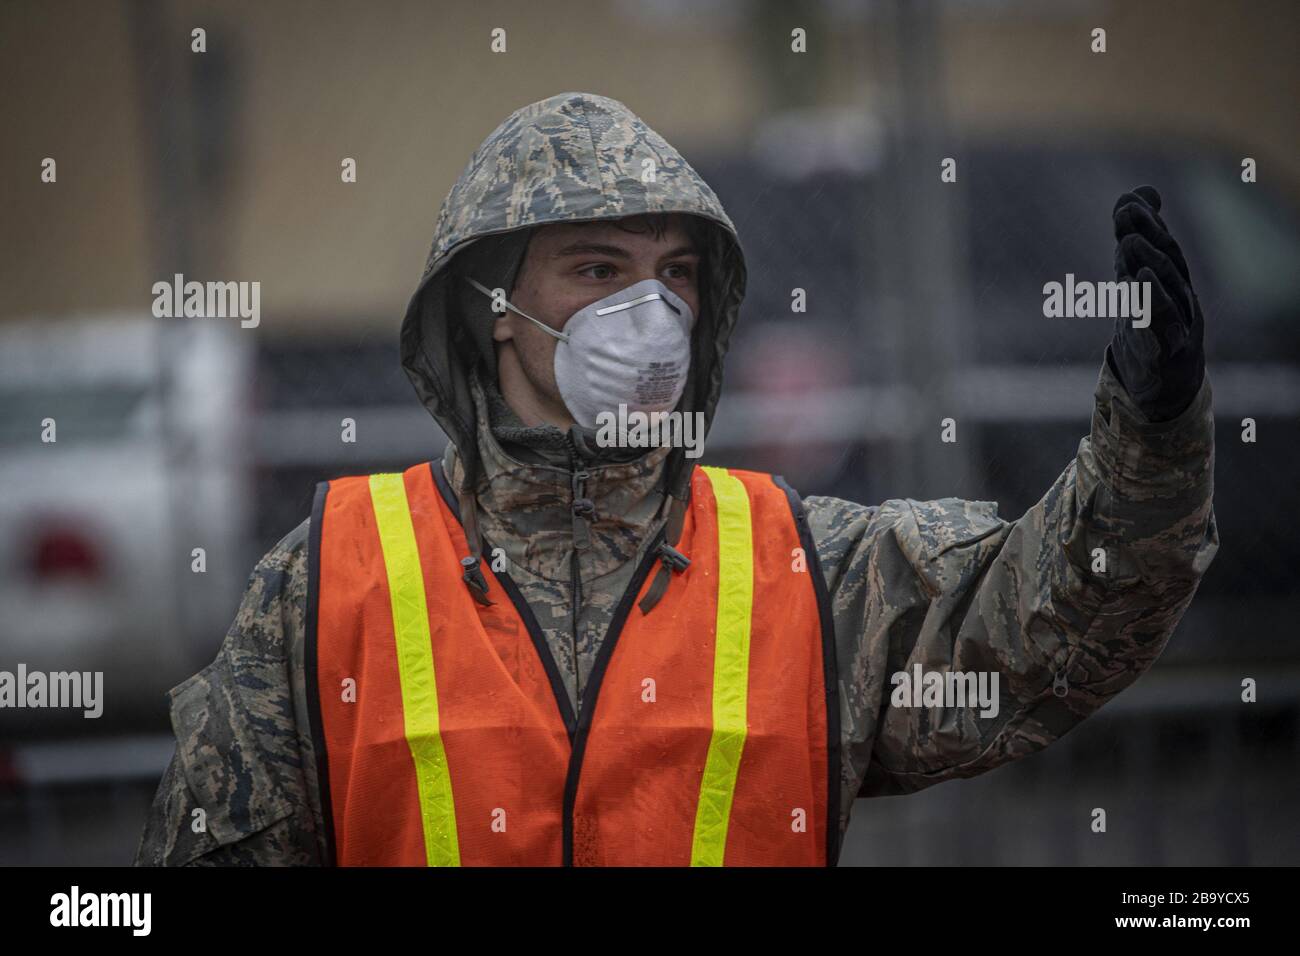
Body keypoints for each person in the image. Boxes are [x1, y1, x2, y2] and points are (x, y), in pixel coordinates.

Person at [134, 92, 1217, 867]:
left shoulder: (803, 564)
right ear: (490, 311)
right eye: (600, 269)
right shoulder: (328, 577)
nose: (649, 314)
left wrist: (1150, 429)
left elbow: (1048, 622)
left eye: (676, 275)